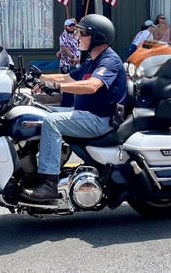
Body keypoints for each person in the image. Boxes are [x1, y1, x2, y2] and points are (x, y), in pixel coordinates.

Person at [22, 14, 126, 202]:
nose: (78, 37)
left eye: (83, 33)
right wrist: (38, 77)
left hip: (99, 120)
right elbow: (68, 77)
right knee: (39, 113)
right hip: (85, 115)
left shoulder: (109, 60)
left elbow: (92, 85)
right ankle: (31, 169)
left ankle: (49, 184)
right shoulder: (91, 60)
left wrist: (57, 87)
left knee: (51, 122)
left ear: (97, 37)